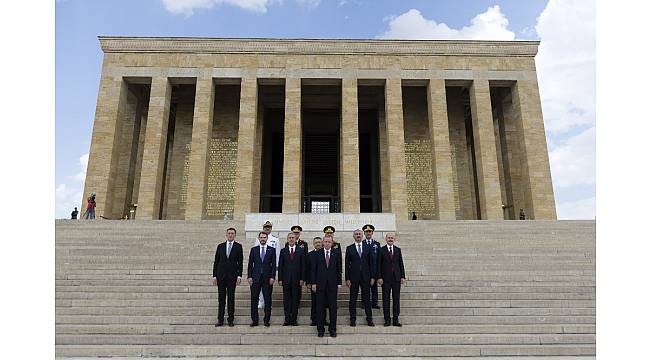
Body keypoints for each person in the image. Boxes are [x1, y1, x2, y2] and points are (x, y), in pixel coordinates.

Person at [311, 233, 342, 337]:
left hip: (332, 286)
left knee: (333, 309)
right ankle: (320, 330)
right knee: (320, 308)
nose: (327, 243)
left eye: (329, 242)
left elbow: (339, 269)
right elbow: (313, 270)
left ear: (332, 243)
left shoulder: (336, 253)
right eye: (325, 241)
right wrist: (314, 283)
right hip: (320, 285)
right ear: (323, 242)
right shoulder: (317, 253)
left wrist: (339, 283)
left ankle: (332, 329)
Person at [211, 227, 243, 327]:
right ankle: (220, 319)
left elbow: (240, 262)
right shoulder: (220, 246)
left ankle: (230, 319)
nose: (230, 235)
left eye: (232, 233)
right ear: (226, 234)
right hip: (221, 276)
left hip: (232, 277)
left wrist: (239, 276)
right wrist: (214, 276)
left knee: (231, 298)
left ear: (235, 235)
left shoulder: (238, 246)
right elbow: (216, 261)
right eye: (229, 233)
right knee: (221, 299)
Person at [345, 229, 376, 327]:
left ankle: (369, 319)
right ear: (353, 236)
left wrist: (372, 277)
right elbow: (346, 265)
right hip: (353, 278)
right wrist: (347, 278)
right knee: (352, 299)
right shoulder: (349, 248)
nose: (358, 235)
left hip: (366, 277)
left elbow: (371, 263)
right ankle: (352, 319)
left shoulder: (368, 247)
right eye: (356, 234)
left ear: (362, 236)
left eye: (359, 234)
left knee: (367, 299)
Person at [247, 232, 276, 327]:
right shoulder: (254, 250)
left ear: (267, 238)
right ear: (258, 238)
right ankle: (254, 320)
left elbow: (273, 265)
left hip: (267, 279)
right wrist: (249, 276)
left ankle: (266, 320)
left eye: (264, 237)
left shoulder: (271, 250)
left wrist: (272, 277)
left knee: (268, 299)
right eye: (261, 237)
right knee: (254, 299)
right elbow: (250, 264)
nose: (263, 239)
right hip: (255, 278)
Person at [377, 232, 406, 327]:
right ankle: (387, 320)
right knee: (386, 299)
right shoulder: (381, 250)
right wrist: (379, 277)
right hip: (385, 279)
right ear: (386, 239)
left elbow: (400, 264)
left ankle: (396, 319)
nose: (390, 239)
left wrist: (402, 276)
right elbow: (379, 264)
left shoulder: (398, 250)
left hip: (396, 278)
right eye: (389, 238)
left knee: (396, 299)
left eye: (392, 238)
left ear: (394, 239)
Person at [278, 232, 307, 326]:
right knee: (286, 300)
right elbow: (281, 266)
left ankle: (294, 319)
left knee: (295, 300)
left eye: (293, 238)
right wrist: (280, 279)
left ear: (295, 239)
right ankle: (287, 319)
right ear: (287, 239)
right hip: (286, 279)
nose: (291, 239)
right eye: (289, 237)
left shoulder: (301, 250)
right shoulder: (283, 251)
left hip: (297, 280)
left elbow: (303, 266)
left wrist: (302, 278)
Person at [256, 220, 281, 309]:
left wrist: (277, 266)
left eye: (269, 227)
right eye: (266, 227)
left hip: (269, 267)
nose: (267, 228)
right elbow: (256, 252)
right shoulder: (258, 239)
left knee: (268, 288)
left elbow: (277, 253)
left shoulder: (275, 239)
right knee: (259, 288)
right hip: (260, 267)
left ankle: (267, 302)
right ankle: (261, 302)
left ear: (271, 228)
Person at [362, 224, 382, 309]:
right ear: (364, 233)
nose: (368, 233)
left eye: (370, 231)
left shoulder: (377, 244)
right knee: (364, 287)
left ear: (372, 232)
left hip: (374, 269)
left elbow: (379, 258)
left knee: (374, 287)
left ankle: (374, 302)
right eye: (366, 232)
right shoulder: (361, 244)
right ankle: (364, 302)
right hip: (365, 270)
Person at [306, 237, 323, 326]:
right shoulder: (310, 255)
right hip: (313, 282)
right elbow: (308, 270)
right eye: (316, 242)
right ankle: (314, 319)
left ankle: (323, 320)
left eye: (319, 242)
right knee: (314, 302)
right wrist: (309, 282)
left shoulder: (325, 254)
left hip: (324, 283)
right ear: (313, 244)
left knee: (324, 303)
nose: (318, 244)